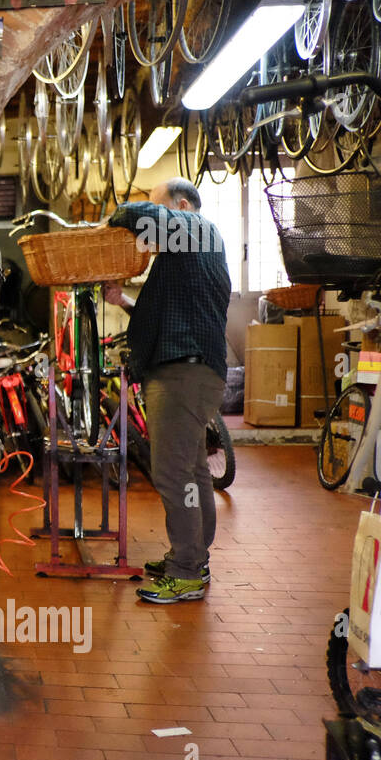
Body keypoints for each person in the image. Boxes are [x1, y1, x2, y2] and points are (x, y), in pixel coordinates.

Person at [102, 177, 231, 604]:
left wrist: (117, 213)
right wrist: (122, 301)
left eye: (164, 207)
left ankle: (186, 572)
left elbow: (140, 215)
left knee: (173, 473)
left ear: (180, 205)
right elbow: (170, 316)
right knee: (193, 472)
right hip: (191, 371)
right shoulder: (190, 253)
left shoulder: (197, 229)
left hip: (182, 376)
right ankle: (193, 556)